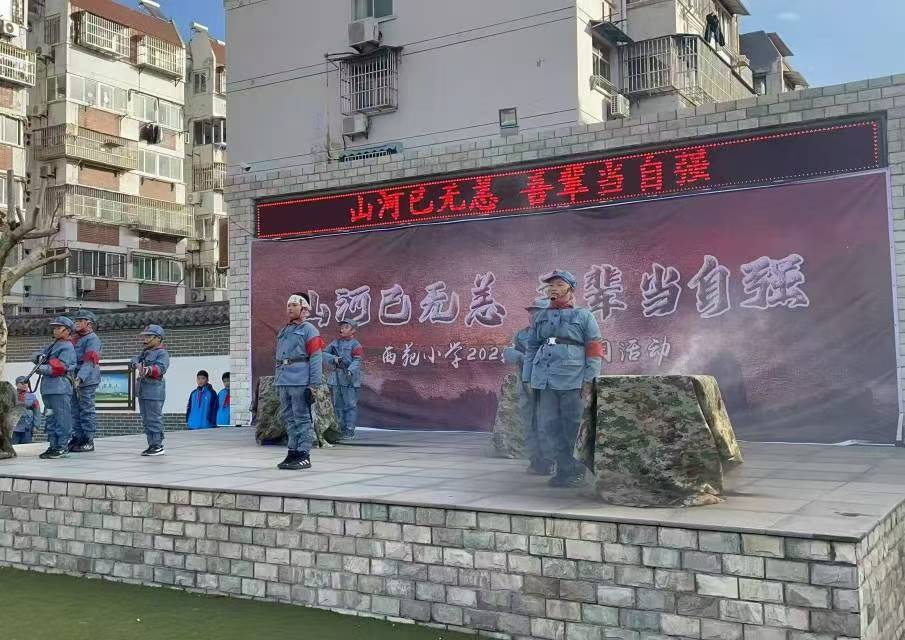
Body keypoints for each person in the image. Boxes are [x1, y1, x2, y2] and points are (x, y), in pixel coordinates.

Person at [523, 270, 604, 487]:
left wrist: (589, 380)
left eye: (559, 284)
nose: (554, 288)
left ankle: (577, 471)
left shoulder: (584, 316)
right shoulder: (540, 317)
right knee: (549, 425)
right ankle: (563, 469)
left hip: (573, 379)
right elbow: (531, 348)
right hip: (545, 379)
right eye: (551, 285)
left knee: (573, 426)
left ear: (571, 289)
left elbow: (594, 349)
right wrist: (528, 377)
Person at [504, 298, 554, 475]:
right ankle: (535, 461)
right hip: (526, 385)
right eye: (531, 313)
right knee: (529, 424)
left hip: (548, 385)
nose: (533, 316)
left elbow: (553, 354)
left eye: (537, 312)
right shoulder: (521, 334)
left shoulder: (554, 334)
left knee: (546, 424)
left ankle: (550, 461)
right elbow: (509, 353)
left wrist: (530, 357)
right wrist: (518, 356)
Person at [274, 293, 324, 470]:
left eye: (294, 305)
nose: (290, 308)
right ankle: (292, 452)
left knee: (302, 418)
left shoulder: (310, 330)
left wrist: (314, 385)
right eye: (288, 305)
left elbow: (316, 358)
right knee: (289, 419)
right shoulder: (284, 330)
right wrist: (277, 380)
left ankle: (304, 454)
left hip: (300, 380)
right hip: (284, 381)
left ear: (304, 309)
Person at [32, 317, 77, 459]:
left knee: (62, 418)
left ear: (67, 331)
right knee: (50, 418)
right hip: (49, 388)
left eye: (59, 328)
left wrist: (42, 368)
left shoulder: (67, 347)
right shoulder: (54, 345)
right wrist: (39, 358)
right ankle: (53, 445)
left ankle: (62, 446)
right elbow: (36, 356)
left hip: (60, 388)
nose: (55, 330)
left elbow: (60, 367)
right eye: (55, 328)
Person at [131, 325, 169, 456]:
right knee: (146, 419)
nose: (145, 339)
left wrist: (148, 369)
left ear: (158, 338)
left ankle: (157, 445)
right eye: (145, 336)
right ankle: (151, 444)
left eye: (149, 336)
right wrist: (136, 363)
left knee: (154, 419)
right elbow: (134, 359)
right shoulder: (145, 352)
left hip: (154, 389)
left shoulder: (162, 353)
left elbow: (161, 368)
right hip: (143, 389)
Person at [69, 310, 102, 453]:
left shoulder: (92, 339)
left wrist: (80, 377)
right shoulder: (75, 338)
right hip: (73, 378)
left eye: (80, 321)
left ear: (89, 323)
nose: (76, 323)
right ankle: (78, 437)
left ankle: (88, 440)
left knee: (86, 410)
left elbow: (89, 361)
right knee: (74, 410)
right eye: (76, 321)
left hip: (87, 379)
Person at [324, 320, 363, 440]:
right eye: (342, 327)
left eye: (346, 327)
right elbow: (323, 353)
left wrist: (350, 370)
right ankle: (339, 428)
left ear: (353, 330)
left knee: (350, 405)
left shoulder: (356, 345)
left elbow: (357, 360)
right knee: (337, 405)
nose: (343, 329)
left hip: (349, 378)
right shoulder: (335, 343)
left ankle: (349, 430)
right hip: (337, 378)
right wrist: (334, 358)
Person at [11, 376, 41, 445]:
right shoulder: (11, 395)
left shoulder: (32, 396)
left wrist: (36, 426)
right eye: (22, 383)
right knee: (13, 447)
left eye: (27, 383)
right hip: (14, 427)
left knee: (27, 447)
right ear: (16, 384)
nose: (25, 385)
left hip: (27, 426)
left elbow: (37, 411)